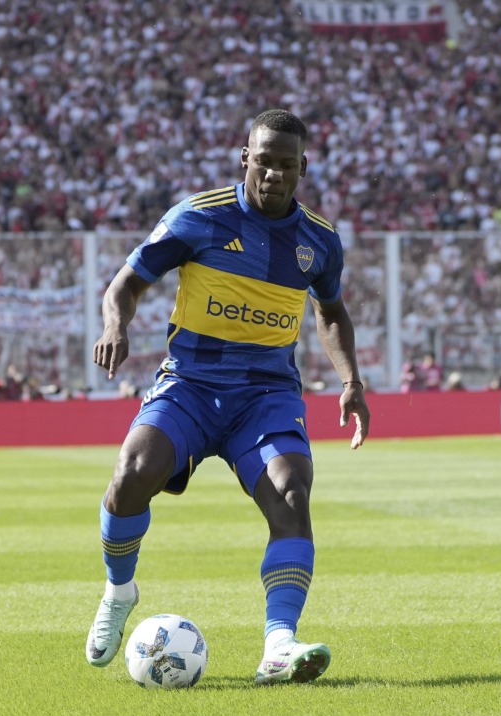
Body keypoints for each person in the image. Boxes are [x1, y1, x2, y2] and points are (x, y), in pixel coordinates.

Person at [86, 109, 370, 686]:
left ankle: (279, 647)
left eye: (286, 165)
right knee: (131, 475)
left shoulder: (318, 240)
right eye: (263, 161)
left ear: (303, 168)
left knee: (292, 494)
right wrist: (116, 325)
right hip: (191, 386)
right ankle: (119, 592)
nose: (273, 175)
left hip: (265, 396)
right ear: (245, 158)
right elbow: (127, 282)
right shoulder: (200, 216)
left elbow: (332, 311)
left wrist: (351, 382)